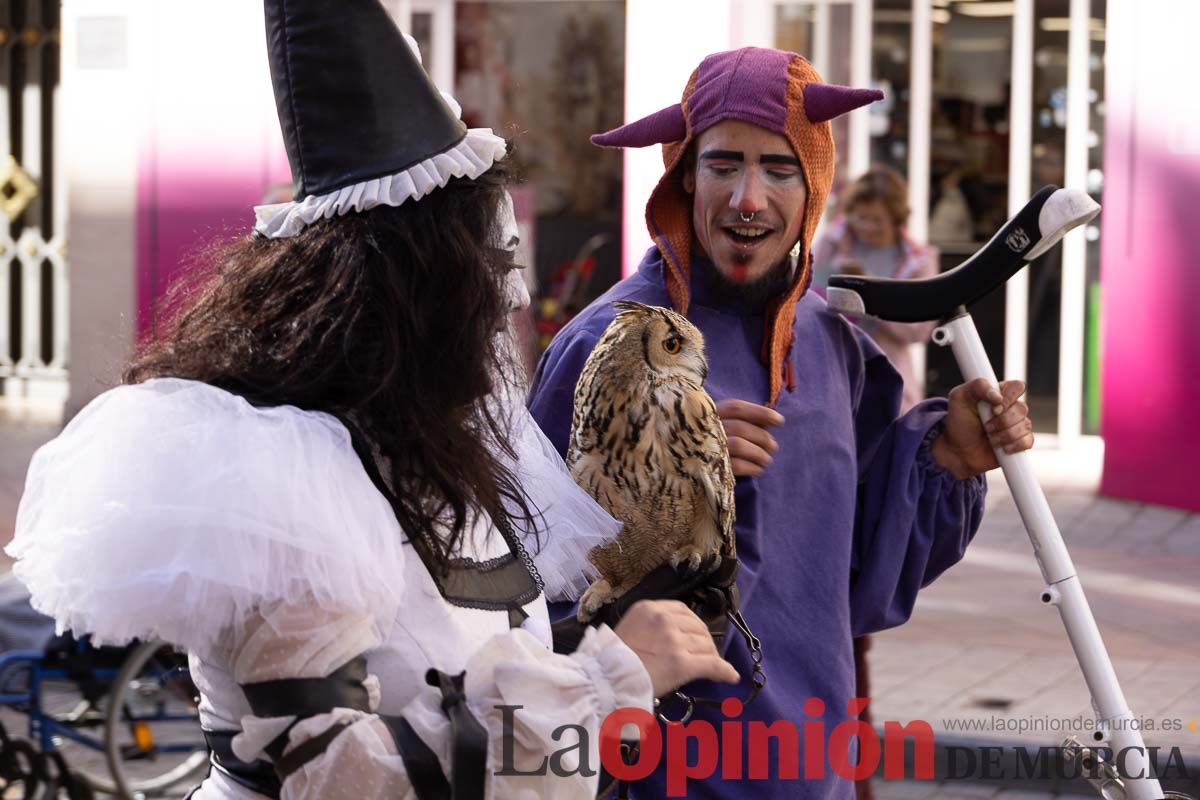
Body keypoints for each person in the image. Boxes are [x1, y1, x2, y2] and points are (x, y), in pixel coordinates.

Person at [7, 2, 738, 797]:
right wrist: (607, 682)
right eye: (490, 269)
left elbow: (460, 669)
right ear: (412, 294)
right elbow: (340, 774)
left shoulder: (439, 446)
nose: (514, 301)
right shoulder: (285, 480)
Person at [528, 47, 1034, 799]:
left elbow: (859, 570)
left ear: (813, 187)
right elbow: (523, 592)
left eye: (779, 168)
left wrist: (950, 458)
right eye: (724, 164)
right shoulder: (606, 348)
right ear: (683, 175)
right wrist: (661, 489)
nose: (748, 198)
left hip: (809, 770)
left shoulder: (834, 348)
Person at [812, 165, 939, 413]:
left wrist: (871, 295)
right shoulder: (834, 240)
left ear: (896, 217)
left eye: (877, 220)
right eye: (861, 217)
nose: (867, 226)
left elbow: (919, 330)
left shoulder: (919, 261)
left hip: (884, 373)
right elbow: (805, 285)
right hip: (831, 367)